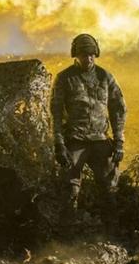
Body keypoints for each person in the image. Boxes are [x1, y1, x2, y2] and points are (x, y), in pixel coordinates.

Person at [50, 33, 127, 218]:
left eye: (92, 54)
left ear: (96, 54)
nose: (88, 58)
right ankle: (69, 229)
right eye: (84, 55)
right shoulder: (64, 78)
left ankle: (110, 228)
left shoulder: (105, 77)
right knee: (70, 189)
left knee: (110, 188)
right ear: (76, 55)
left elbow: (118, 109)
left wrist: (119, 141)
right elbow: (56, 113)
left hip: (100, 140)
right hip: (75, 141)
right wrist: (59, 144)